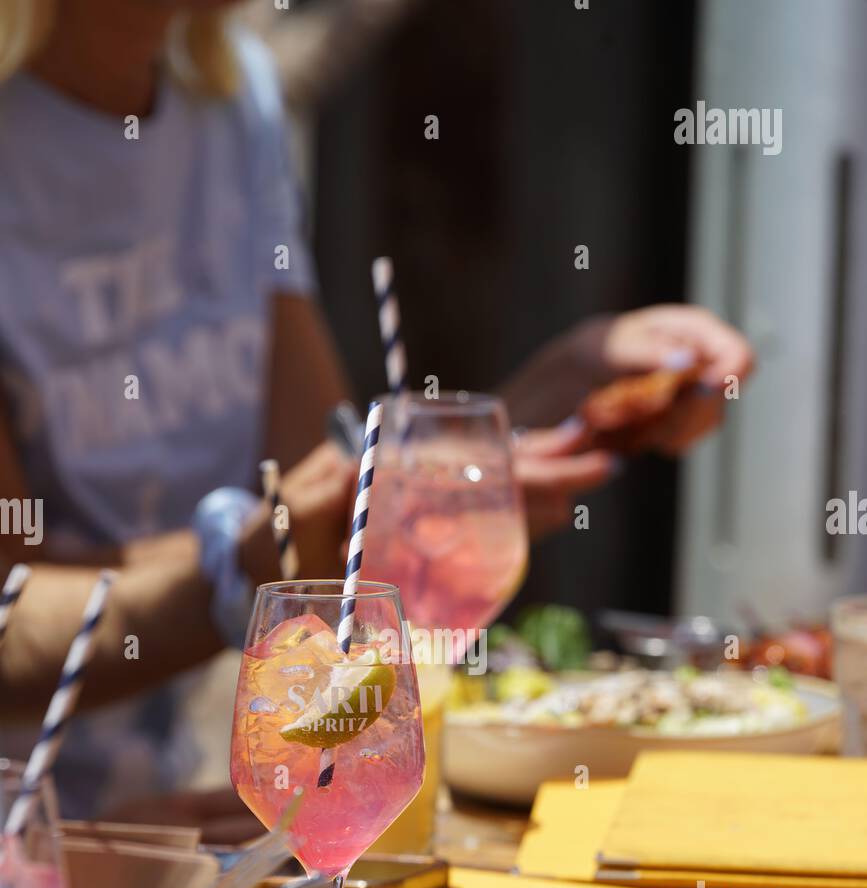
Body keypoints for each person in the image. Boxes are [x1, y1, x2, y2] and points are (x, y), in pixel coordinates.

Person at [0, 0, 754, 817]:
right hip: (34, 868)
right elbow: (11, 629)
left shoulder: (228, 100)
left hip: (175, 816)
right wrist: (243, 572)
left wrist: (549, 407)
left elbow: (334, 515)